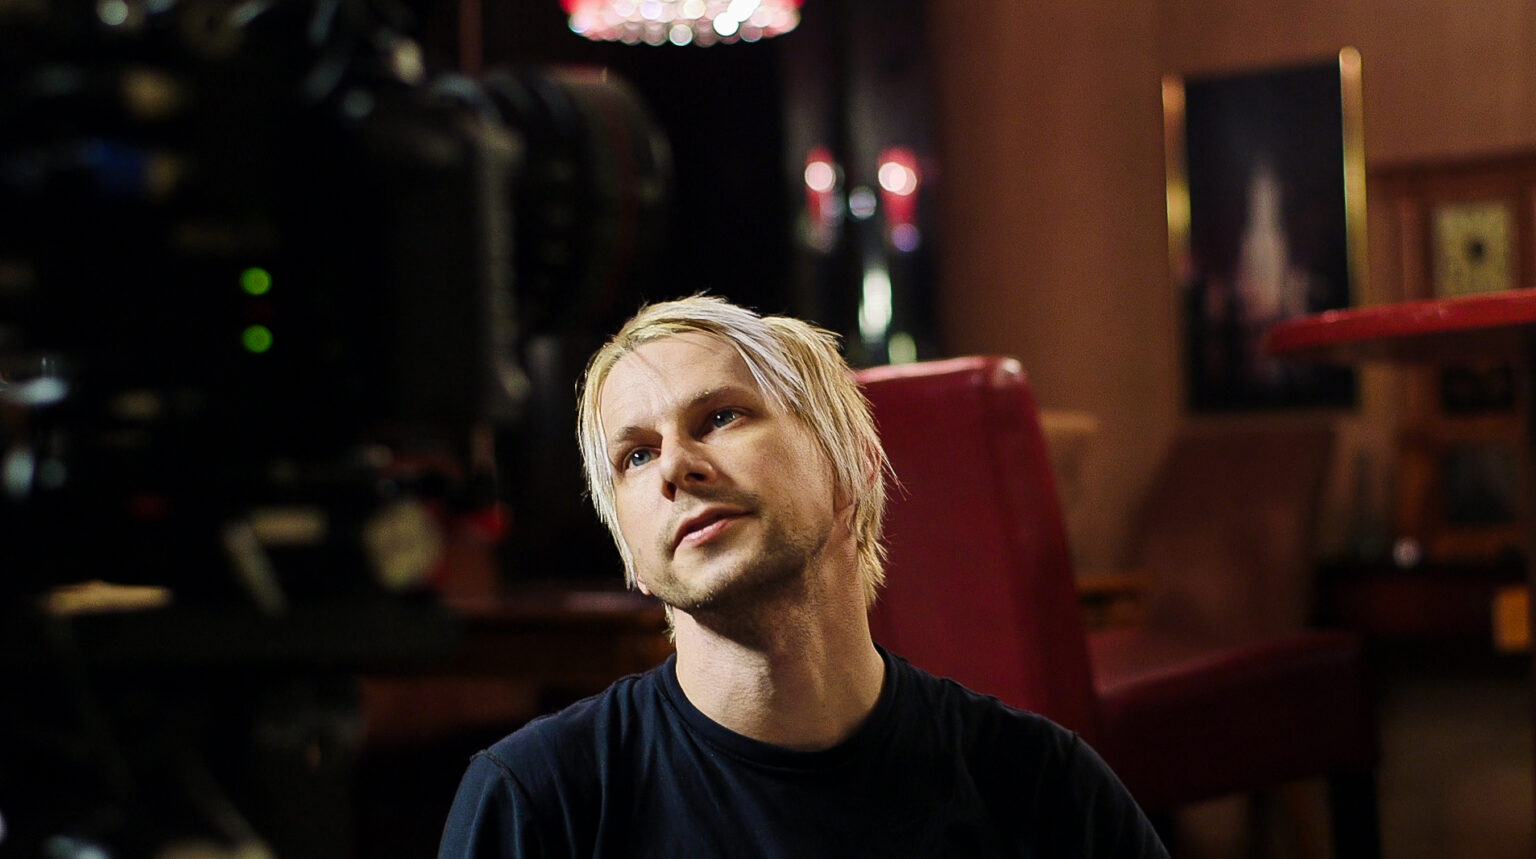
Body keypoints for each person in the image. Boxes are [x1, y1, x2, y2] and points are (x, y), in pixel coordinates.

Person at [440, 296, 1168, 857]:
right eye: (634, 455)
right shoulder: (540, 803)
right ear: (630, 554)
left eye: (720, 416)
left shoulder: (1040, 786)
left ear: (850, 463)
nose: (674, 466)